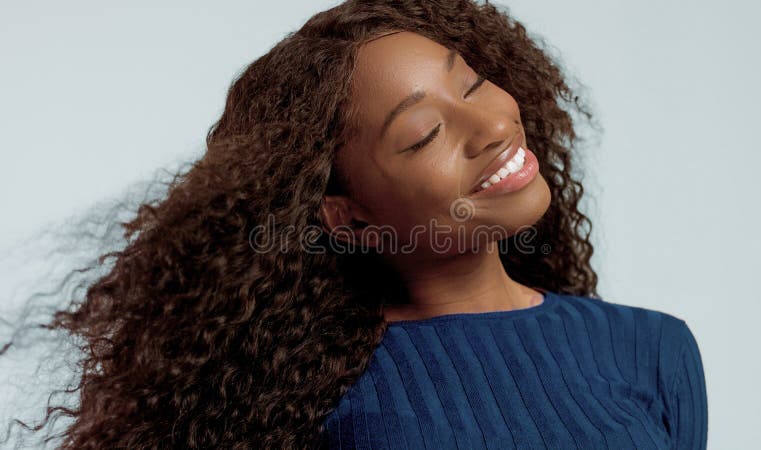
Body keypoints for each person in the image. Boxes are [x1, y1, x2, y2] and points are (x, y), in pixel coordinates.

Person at [0, 0, 707, 449]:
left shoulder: (654, 350)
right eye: (425, 133)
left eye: (473, 84)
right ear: (350, 216)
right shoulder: (293, 403)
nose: (492, 126)